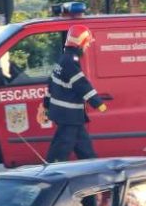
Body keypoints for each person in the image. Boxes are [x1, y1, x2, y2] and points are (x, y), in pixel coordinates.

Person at [42, 25, 107, 162]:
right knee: (61, 148)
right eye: (87, 43)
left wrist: (47, 103)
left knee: (84, 147)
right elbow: (81, 84)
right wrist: (97, 102)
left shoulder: (63, 59)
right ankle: (52, 170)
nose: (88, 46)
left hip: (69, 115)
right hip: (68, 115)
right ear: (80, 43)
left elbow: (51, 83)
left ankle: (92, 167)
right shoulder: (71, 61)